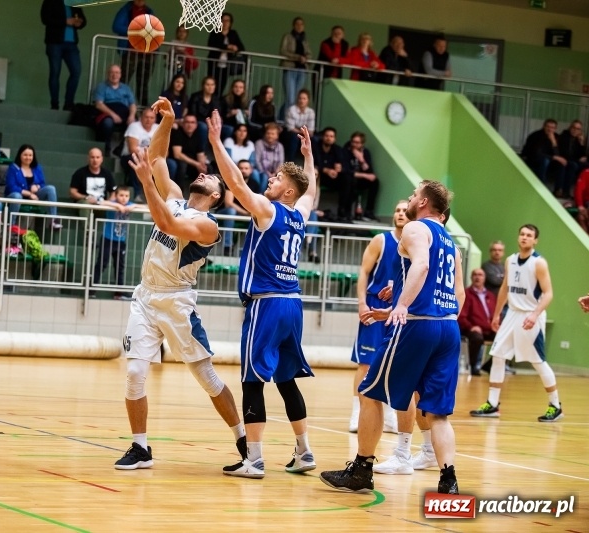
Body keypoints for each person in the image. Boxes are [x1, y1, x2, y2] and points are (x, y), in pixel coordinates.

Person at [114, 96, 245, 470]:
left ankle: (243, 441)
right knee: (135, 371)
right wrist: (167, 121)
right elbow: (156, 159)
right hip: (145, 297)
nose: (203, 172)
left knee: (205, 376)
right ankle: (141, 447)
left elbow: (169, 226)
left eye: (210, 177)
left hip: (176, 303)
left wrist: (145, 186)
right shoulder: (173, 197)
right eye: (203, 172)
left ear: (217, 196)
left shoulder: (208, 226)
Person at [320, 180, 465, 495]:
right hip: (449, 327)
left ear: (424, 202)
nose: (410, 199)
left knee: (370, 393)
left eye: (413, 195)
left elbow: (422, 265)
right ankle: (448, 481)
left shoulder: (416, 229)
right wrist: (419, 309)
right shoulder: (453, 244)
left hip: (417, 327)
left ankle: (361, 468)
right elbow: (459, 293)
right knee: (437, 412)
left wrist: (401, 306)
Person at [208, 108, 318, 479]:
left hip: (267, 304)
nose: (270, 179)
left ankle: (253, 459)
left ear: (287, 190)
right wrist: (308, 156)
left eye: (276, 177)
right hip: (293, 305)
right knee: (285, 379)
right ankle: (304, 451)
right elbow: (311, 190)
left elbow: (236, 184)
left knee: (252, 379)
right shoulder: (300, 214)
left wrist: (216, 145)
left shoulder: (269, 210)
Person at [470, 224, 561, 422]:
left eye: (529, 235)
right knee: (498, 355)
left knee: (538, 361)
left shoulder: (539, 263)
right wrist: (496, 315)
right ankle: (492, 404)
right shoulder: (510, 260)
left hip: (531, 314)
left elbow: (548, 293)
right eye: (522, 234)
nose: (524, 238)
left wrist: (535, 314)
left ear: (535, 240)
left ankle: (555, 405)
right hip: (512, 313)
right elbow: (504, 288)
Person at [348, 200, 409, 434]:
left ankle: (391, 414)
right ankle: (357, 411)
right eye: (397, 210)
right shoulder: (381, 240)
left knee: (395, 363)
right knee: (366, 362)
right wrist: (362, 302)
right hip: (375, 305)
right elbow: (363, 272)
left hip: (400, 308)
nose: (400, 214)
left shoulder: (414, 244)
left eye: (405, 210)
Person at [41, 0, 86, 111]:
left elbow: (84, 20)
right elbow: (45, 19)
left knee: (76, 71)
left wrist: (80, 22)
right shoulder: (50, 1)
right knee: (55, 73)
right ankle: (54, 104)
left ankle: (68, 104)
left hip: (71, 44)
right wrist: (65, 21)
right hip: (54, 43)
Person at [4, 144, 61, 230]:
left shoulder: (37, 167)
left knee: (51, 189)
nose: (28, 157)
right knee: (17, 196)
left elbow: (42, 183)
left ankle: (53, 220)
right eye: (25, 155)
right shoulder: (13, 168)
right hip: (17, 195)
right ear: (20, 155)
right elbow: (11, 186)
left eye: (30, 155)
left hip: (35, 195)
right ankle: (11, 225)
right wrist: (29, 194)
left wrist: (37, 186)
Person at [93, 186, 136, 298]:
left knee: (119, 267)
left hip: (121, 241)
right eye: (121, 195)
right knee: (102, 264)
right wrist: (116, 205)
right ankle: (91, 289)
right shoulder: (112, 203)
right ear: (116, 195)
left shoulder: (129, 204)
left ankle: (119, 292)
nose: (124, 198)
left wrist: (134, 206)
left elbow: (145, 206)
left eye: (126, 196)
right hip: (108, 239)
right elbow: (101, 202)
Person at [112, 0, 155, 104]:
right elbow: (116, 27)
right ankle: (118, 103)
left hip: (146, 52)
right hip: (130, 50)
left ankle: (143, 109)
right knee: (124, 80)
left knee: (143, 83)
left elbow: (154, 30)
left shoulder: (149, 11)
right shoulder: (126, 10)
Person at [458, 268, 497, 376]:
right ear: (471, 277)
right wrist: (471, 327)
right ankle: (473, 366)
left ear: (484, 278)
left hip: (489, 328)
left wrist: (497, 324)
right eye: (475, 275)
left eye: (480, 275)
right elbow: (461, 315)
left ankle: (488, 366)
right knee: (477, 338)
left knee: (505, 337)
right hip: (472, 329)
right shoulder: (466, 293)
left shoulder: (490, 295)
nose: (477, 277)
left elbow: (495, 314)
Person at [93, 64, 137, 156]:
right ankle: (106, 148)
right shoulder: (102, 87)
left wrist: (132, 115)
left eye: (117, 73)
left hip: (124, 112)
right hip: (107, 112)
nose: (114, 75)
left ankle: (120, 148)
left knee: (134, 124)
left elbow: (132, 104)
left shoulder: (126, 88)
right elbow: (99, 104)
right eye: (112, 73)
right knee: (107, 123)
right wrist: (113, 115)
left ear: (120, 75)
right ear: (108, 74)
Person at [121, 108, 158, 201]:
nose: (148, 120)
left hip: (150, 158)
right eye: (146, 117)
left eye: (151, 117)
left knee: (171, 164)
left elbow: (163, 150)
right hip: (130, 157)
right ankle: (136, 194)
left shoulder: (158, 128)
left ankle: (160, 195)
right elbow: (132, 149)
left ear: (155, 119)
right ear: (141, 117)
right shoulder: (134, 126)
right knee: (136, 161)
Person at [342, 131, 379, 221]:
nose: (354, 144)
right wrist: (365, 176)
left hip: (360, 180)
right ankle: (346, 212)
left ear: (362, 144)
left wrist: (361, 160)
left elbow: (369, 171)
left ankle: (369, 211)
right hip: (348, 179)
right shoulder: (345, 151)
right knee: (349, 180)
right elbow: (346, 171)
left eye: (357, 143)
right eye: (353, 142)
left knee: (375, 182)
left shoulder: (365, 152)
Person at [206, 12, 245, 97]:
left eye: (227, 20)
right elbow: (212, 44)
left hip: (226, 65)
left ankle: (217, 104)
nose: (225, 22)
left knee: (221, 86)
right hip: (214, 63)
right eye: (223, 20)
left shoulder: (233, 33)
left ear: (230, 22)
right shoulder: (215, 32)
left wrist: (235, 47)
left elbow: (241, 47)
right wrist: (227, 46)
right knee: (211, 84)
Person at [279, 17, 311, 112]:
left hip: (302, 70)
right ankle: (287, 123)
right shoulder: (288, 36)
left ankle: (289, 120)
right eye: (297, 24)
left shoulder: (305, 40)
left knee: (298, 99)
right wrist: (297, 57)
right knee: (290, 98)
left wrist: (306, 58)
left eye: (301, 24)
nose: (299, 26)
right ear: (293, 25)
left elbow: (309, 53)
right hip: (290, 68)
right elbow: (283, 51)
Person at [521, 119, 564, 186]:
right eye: (548, 127)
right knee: (545, 161)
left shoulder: (556, 137)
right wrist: (553, 157)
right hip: (532, 158)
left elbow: (558, 155)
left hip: (550, 160)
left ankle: (559, 189)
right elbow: (536, 153)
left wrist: (554, 143)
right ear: (543, 126)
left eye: (552, 128)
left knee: (562, 163)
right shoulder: (536, 135)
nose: (550, 129)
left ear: (555, 129)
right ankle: (541, 185)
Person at [281, 88, 315, 162]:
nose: (302, 101)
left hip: (304, 132)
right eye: (300, 98)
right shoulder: (291, 110)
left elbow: (311, 130)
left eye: (304, 98)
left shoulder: (311, 112)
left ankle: (311, 162)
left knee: (315, 139)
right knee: (294, 138)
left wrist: (305, 133)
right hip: (291, 133)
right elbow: (291, 128)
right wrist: (303, 132)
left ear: (308, 100)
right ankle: (291, 162)